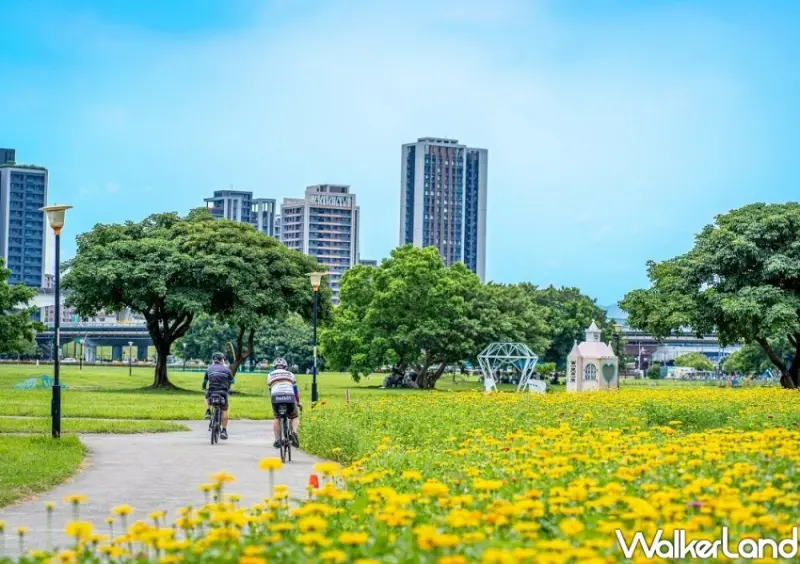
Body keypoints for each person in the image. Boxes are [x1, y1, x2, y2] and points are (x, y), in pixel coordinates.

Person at [267, 358, 301, 448]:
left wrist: (273, 401)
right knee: (294, 417)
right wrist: (298, 402)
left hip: (276, 397)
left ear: (275, 367)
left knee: (277, 417)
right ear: (285, 367)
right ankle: (294, 433)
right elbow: (295, 391)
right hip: (289, 396)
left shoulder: (270, 375)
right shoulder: (291, 374)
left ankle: (277, 440)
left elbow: (270, 390)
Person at [202, 352, 234, 440]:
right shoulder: (226, 369)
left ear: (213, 360)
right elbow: (232, 381)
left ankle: (208, 411)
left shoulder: (209, 369)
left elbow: (204, 382)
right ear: (222, 360)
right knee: (224, 410)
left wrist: (204, 387)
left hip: (212, 392)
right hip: (223, 392)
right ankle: (224, 430)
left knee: (206, 397)